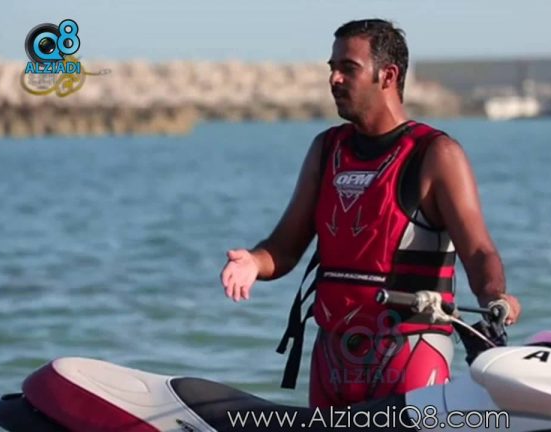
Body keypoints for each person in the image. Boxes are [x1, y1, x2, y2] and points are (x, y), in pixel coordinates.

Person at [220, 18, 521, 409]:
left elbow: (478, 250)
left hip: (409, 356)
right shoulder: (326, 150)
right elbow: (284, 247)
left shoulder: (436, 155)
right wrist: (253, 262)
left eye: (348, 68)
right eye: (332, 68)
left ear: (388, 75)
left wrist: (495, 297)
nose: (334, 79)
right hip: (332, 360)